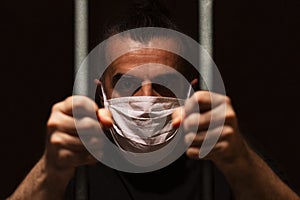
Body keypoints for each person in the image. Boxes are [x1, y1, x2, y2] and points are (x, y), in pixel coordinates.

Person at [8, 1, 299, 200]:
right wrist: (50, 171)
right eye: (127, 84)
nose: (146, 100)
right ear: (102, 94)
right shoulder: (74, 161)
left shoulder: (225, 154)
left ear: (190, 92)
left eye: (165, 84)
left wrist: (240, 161)